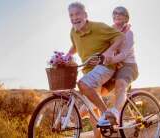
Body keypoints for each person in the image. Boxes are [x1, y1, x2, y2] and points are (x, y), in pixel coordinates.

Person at [65, 2, 125, 138]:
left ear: (85, 15)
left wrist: (110, 52)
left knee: (82, 84)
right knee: (92, 109)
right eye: (71, 15)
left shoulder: (99, 27)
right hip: (89, 72)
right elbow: (75, 46)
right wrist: (66, 57)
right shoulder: (73, 31)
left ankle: (107, 114)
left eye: (77, 14)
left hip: (104, 67)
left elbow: (120, 37)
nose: (74, 18)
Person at [105, 6, 139, 124]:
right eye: (115, 13)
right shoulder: (109, 31)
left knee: (120, 84)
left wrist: (109, 60)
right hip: (114, 67)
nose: (117, 15)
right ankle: (73, 119)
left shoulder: (129, 33)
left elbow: (124, 54)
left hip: (128, 66)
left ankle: (115, 113)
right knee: (96, 90)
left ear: (126, 17)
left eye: (121, 13)